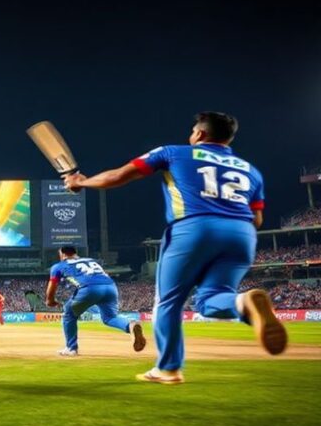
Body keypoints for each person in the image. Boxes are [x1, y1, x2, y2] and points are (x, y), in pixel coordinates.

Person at [65, 111, 287, 384]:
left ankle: (168, 368)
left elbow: (119, 176)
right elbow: (258, 219)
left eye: (193, 129)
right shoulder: (249, 169)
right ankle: (243, 302)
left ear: (200, 134)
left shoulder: (173, 153)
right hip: (242, 235)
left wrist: (81, 182)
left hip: (193, 228)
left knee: (168, 302)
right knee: (210, 301)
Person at [46, 246, 145, 356]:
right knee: (110, 317)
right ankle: (130, 324)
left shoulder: (59, 266)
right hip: (110, 287)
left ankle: (71, 348)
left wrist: (50, 300)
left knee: (68, 314)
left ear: (62, 254)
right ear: (75, 253)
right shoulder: (90, 260)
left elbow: (53, 284)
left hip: (90, 288)